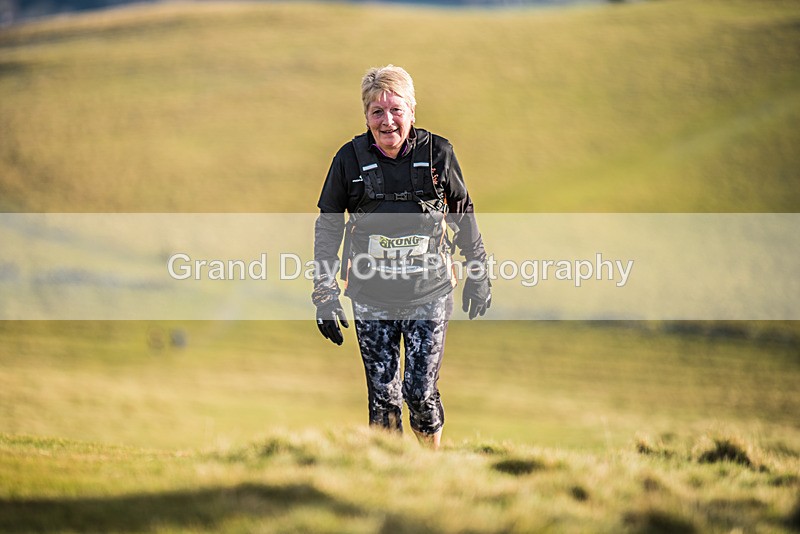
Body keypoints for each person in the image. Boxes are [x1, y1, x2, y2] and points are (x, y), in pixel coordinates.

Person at [312, 65, 491, 450]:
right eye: (377, 111)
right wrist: (324, 293)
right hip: (370, 298)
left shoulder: (438, 153)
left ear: (411, 110)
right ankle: (391, 478)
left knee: (420, 394)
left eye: (395, 109)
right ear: (366, 116)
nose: (387, 120)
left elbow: (463, 212)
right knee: (384, 399)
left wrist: (478, 273)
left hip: (429, 294)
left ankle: (430, 468)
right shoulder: (349, 159)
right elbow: (328, 225)